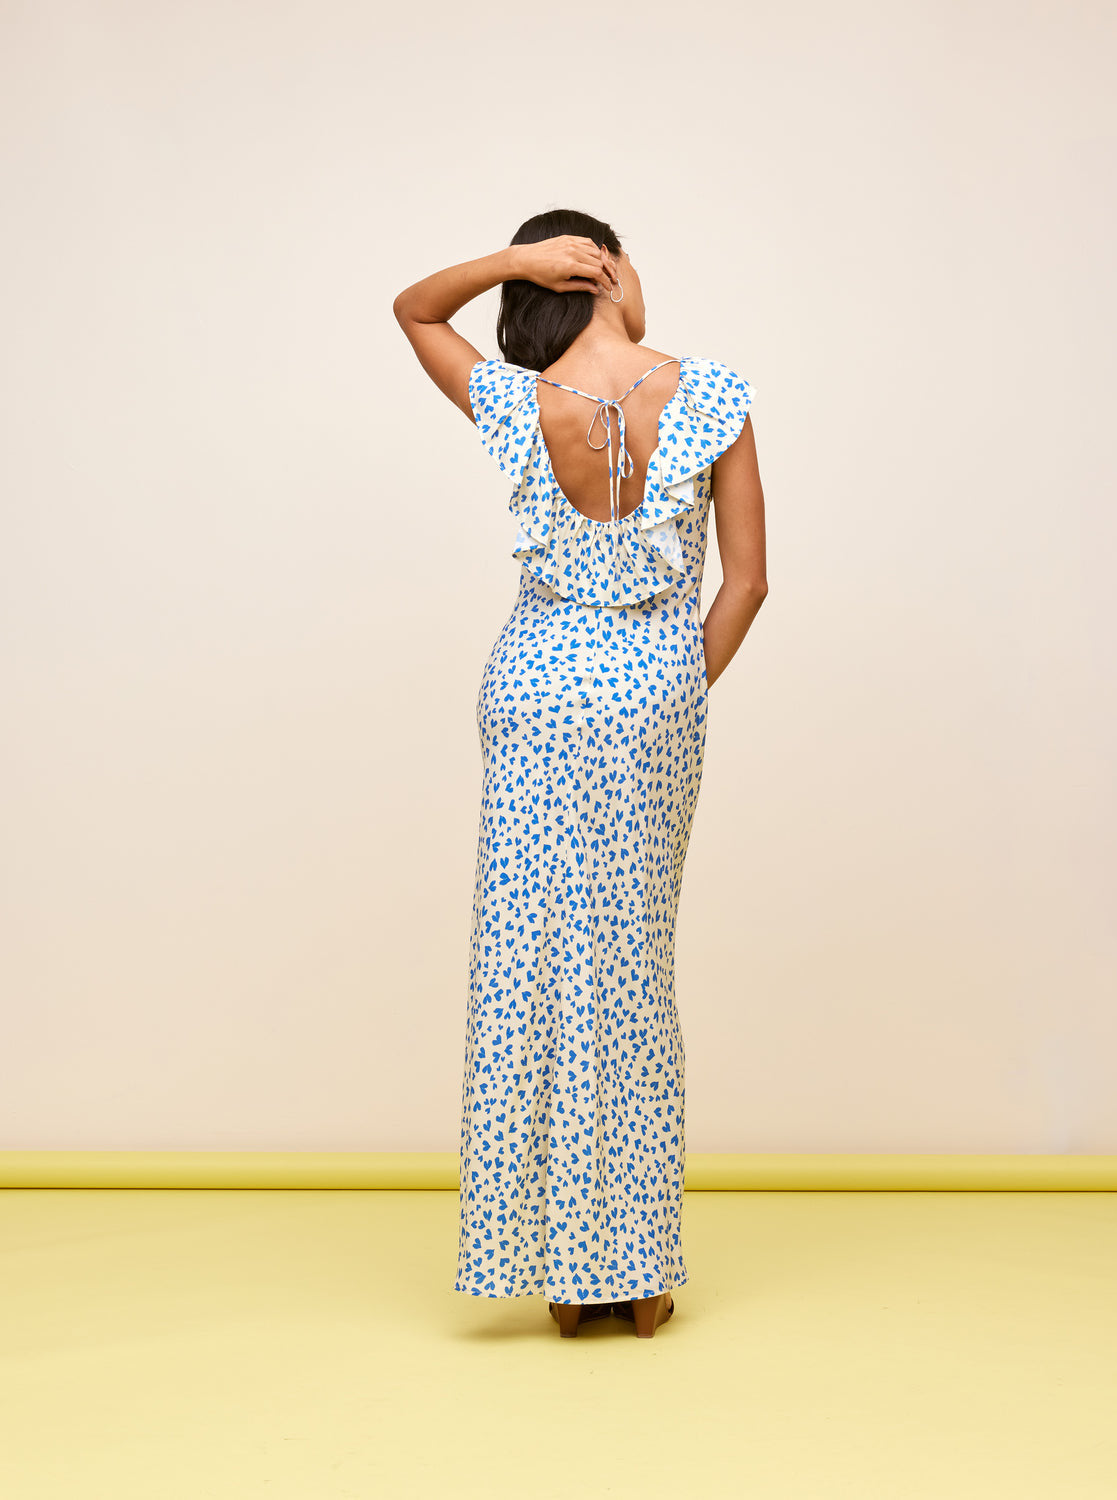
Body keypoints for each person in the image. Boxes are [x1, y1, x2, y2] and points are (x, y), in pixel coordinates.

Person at [392, 208, 767, 1339]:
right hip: (651, 695)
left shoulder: (519, 401)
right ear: (605, 269)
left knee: (528, 968)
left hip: (535, 687)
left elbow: (414, 309)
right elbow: (747, 583)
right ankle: (636, 1271)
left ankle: (558, 1271)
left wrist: (511, 264)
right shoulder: (711, 396)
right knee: (630, 968)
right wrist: (667, 684)